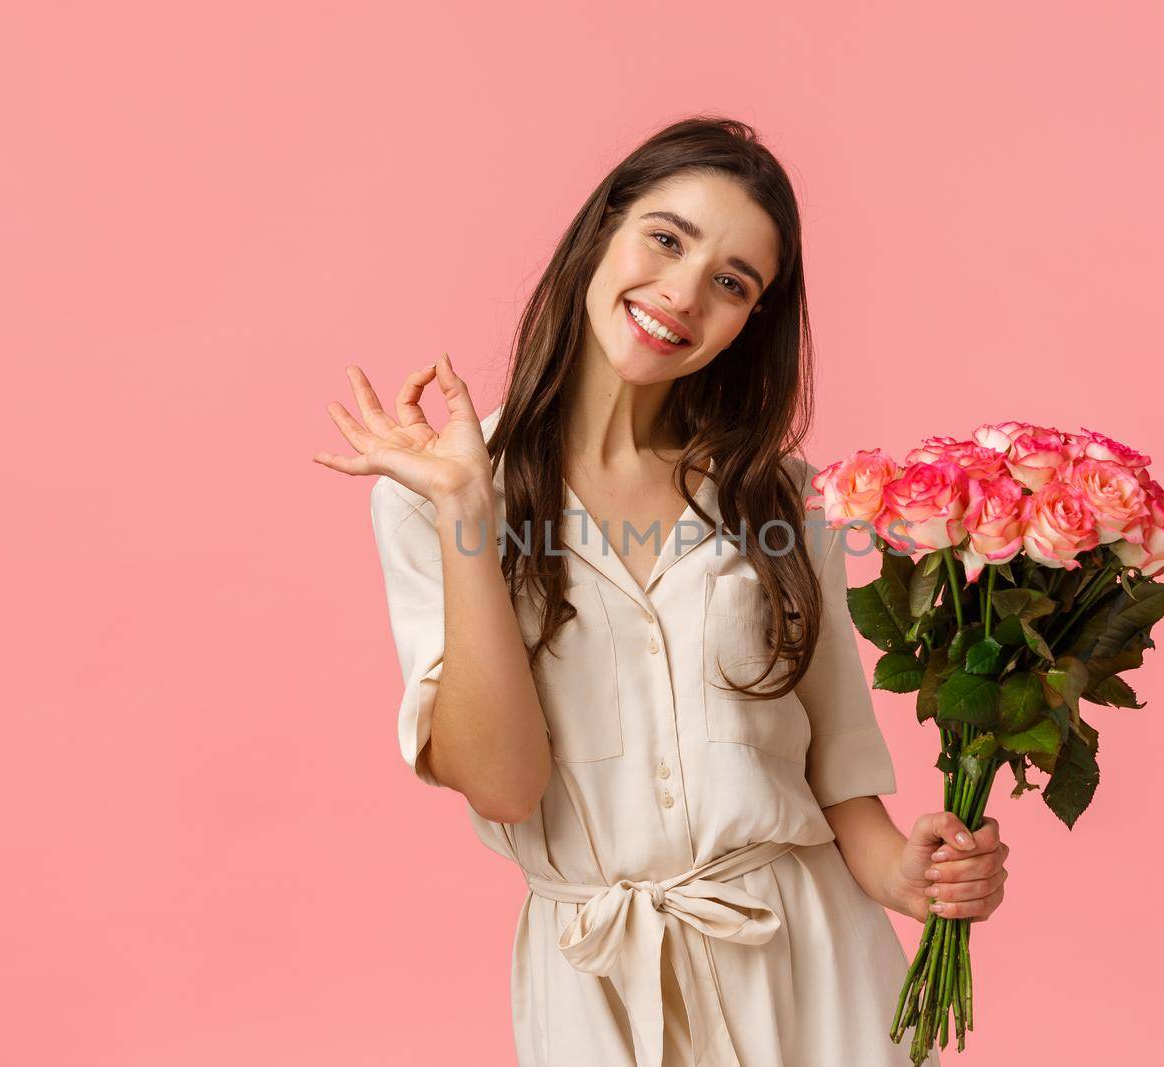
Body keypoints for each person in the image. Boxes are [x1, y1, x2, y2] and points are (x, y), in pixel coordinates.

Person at [314, 116, 1010, 1067]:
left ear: (748, 322)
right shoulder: (437, 490)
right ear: (602, 229)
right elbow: (505, 785)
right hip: (599, 992)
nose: (682, 293)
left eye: (732, 283)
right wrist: (469, 508)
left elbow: (833, 757)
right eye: (666, 237)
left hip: (812, 967)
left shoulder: (779, 495)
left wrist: (915, 873)